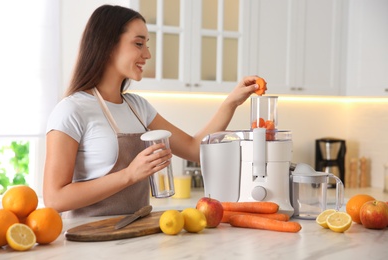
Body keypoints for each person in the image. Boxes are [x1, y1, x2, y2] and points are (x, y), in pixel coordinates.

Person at [43, 5, 261, 218]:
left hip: (137, 234)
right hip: (91, 242)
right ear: (107, 45)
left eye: (147, 45)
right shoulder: (72, 110)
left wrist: (231, 102)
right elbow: (54, 198)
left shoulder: (138, 108)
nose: (147, 54)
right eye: (139, 44)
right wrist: (129, 174)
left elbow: (195, 149)